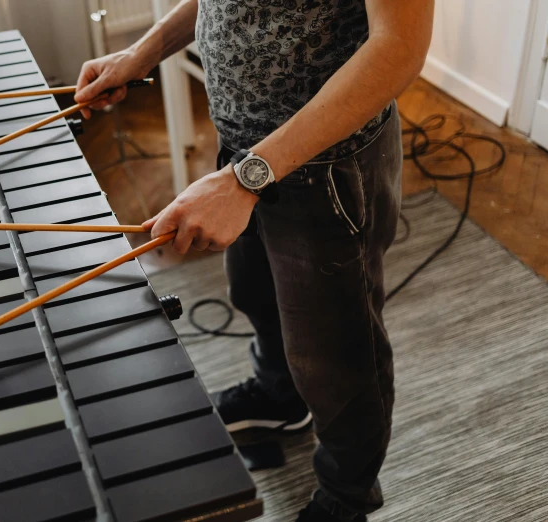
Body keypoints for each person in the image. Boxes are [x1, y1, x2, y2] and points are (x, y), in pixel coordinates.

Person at [74, 1, 433, 520]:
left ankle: (347, 494)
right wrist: (143, 51)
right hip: (246, 151)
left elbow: (398, 50)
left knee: (337, 353)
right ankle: (280, 397)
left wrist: (247, 179)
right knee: (255, 292)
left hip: (325, 168)